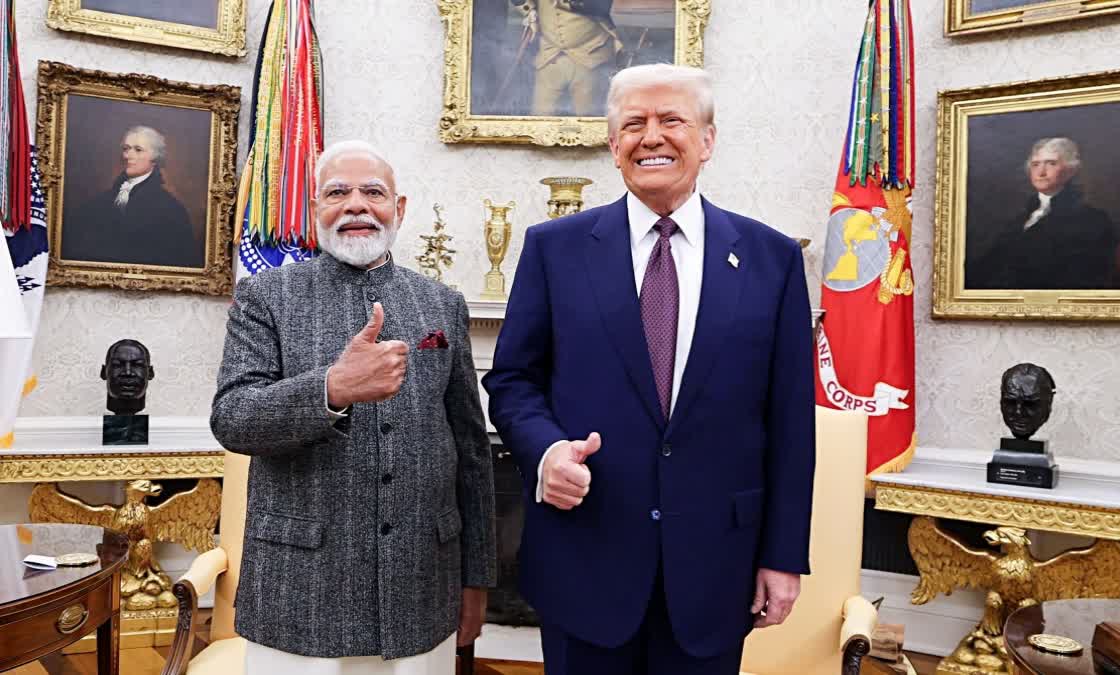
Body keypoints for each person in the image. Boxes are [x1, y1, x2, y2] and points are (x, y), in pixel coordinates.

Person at [482, 64, 816, 675]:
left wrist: (784, 556)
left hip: (719, 568)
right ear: (613, 146)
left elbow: (792, 421)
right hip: (586, 561)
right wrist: (548, 450)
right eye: (633, 123)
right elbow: (511, 381)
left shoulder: (772, 260)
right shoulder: (553, 249)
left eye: (672, 120)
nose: (652, 136)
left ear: (707, 140)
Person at [210, 140, 497, 673]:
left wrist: (477, 577)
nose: (357, 205)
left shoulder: (442, 304)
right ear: (314, 209)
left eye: (373, 192)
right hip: (301, 596)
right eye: (337, 192)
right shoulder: (266, 297)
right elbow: (234, 418)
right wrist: (332, 388)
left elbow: (471, 452)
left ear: (400, 208)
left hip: (423, 591)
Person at [967, 137, 1120, 290]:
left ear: (1070, 170)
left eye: (1051, 163)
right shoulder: (1019, 219)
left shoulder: (1092, 220)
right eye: (1035, 164)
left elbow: (1082, 279)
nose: (1041, 172)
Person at [62, 126, 202, 268]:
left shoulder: (171, 209)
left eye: (138, 150)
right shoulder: (102, 201)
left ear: (155, 158)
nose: (127, 156)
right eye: (126, 149)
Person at [511, 0, 620, 116]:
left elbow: (600, 6)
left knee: (588, 118)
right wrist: (529, 10)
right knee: (541, 117)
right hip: (549, 55)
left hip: (590, 54)